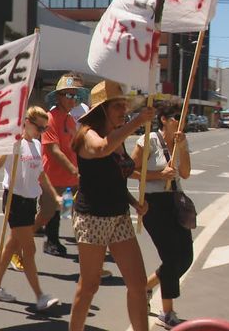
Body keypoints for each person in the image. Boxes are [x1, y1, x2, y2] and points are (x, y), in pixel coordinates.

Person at [69, 80, 154, 331]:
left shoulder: (119, 135)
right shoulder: (88, 135)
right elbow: (101, 149)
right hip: (93, 217)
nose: (124, 111)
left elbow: (115, 178)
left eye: (124, 106)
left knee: (138, 284)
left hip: (119, 215)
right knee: (90, 285)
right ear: (102, 109)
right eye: (118, 106)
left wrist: (133, 203)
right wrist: (136, 122)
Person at [0, 106, 60, 311]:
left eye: (45, 128)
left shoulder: (36, 144)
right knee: (30, 249)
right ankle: (40, 295)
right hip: (15, 200)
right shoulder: (12, 141)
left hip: (29, 201)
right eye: (39, 127)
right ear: (26, 122)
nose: (41, 131)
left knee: (11, 246)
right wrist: (12, 144)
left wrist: (54, 195)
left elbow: (41, 174)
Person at [130, 102, 193, 329]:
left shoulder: (181, 141)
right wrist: (159, 174)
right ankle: (167, 312)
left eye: (183, 117)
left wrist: (183, 147)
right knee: (171, 258)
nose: (180, 121)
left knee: (185, 257)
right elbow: (130, 170)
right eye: (176, 117)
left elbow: (185, 173)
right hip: (154, 204)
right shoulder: (148, 140)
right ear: (164, 119)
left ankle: (146, 286)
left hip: (175, 201)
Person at [40, 72, 86, 257]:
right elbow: (53, 150)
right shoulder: (50, 118)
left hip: (70, 178)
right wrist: (74, 170)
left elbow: (75, 145)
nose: (72, 99)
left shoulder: (69, 118)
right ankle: (45, 241)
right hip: (54, 177)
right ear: (58, 96)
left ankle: (63, 241)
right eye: (68, 95)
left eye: (75, 96)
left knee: (67, 210)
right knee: (50, 213)